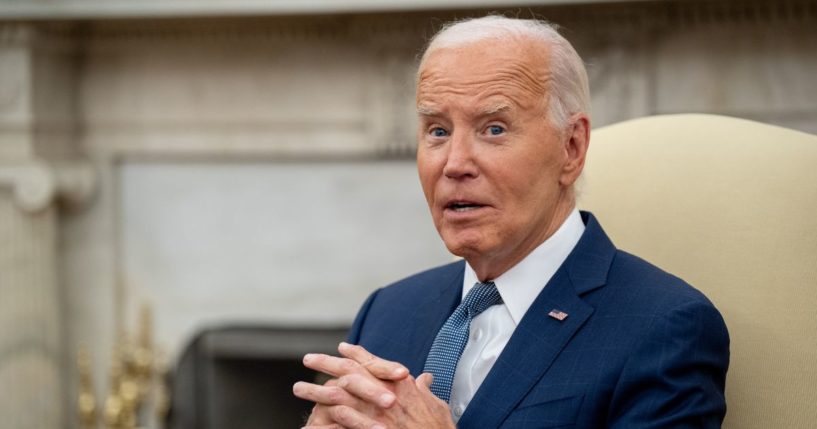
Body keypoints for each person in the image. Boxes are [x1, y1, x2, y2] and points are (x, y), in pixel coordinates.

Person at [293, 15, 729, 428]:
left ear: (571, 148)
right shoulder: (388, 311)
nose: (455, 163)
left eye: (494, 129)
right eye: (438, 131)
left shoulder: (665, 327)